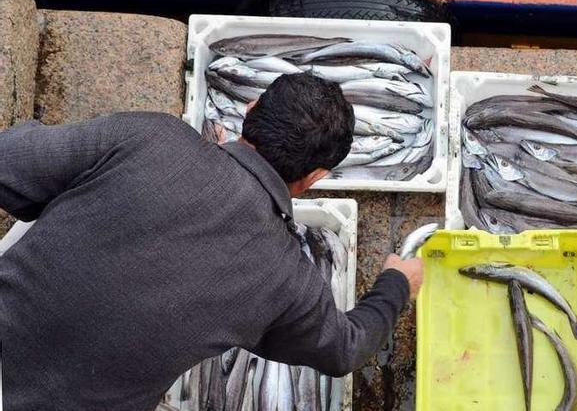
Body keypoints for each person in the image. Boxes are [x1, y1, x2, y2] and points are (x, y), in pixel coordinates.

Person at [0, 73, 423, 410]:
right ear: (316, 178)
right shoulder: (287, 278)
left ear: (250, 110)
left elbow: (10, 162)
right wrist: (397, 283)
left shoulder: (151, 137)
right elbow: (345, 349)